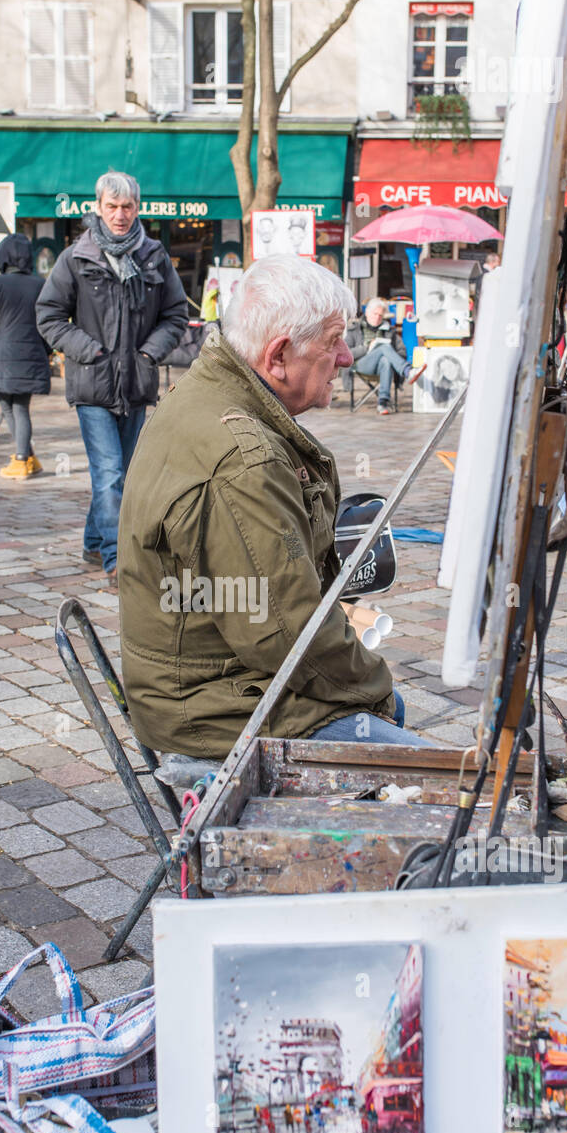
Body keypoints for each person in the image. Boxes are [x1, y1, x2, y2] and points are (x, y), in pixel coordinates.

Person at [118, 255, 431, 762]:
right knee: (450, 791)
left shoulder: (209, 388)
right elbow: (288, 636)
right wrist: (377, 688)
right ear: (279, 356)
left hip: (205, 684)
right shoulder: (243, 462)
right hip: (217, 710)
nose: (347, 358)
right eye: (334, 342)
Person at [36, 170, 188, 586]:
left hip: (136, 384)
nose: (119, 215)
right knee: (109, 474)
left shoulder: (153, 255)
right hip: (92, 385)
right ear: (98, 208)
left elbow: (175, 315)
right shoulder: (76, 258)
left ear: (137, 208)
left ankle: (92, 540)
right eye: (111, 206)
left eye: (127, 207)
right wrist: (90, 351)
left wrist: (147, 353)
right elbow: (49, 316)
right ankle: (115, 558)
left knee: (121, 472)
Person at [0, 233, 50, 481]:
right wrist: (46, 350)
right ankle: (27, 455)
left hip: (0, 354)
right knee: (19, 406)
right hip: (29, 353)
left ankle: (21, 459)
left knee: (10, 407)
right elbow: (47, 321)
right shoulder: (39, 284)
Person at [351, 296, 425, 415]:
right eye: (375, 314)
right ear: (367, 313)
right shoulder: (355, 328)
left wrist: (393, 356)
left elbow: (402, 350)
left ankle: (382, 402)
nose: (377, 318)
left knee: (386, 360)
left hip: (382, 367)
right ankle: (408, 371)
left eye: (380, 315)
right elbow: (346, 353)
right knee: (384, 347)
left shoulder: (389, 330)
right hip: (361, 365)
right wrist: (367, 348)